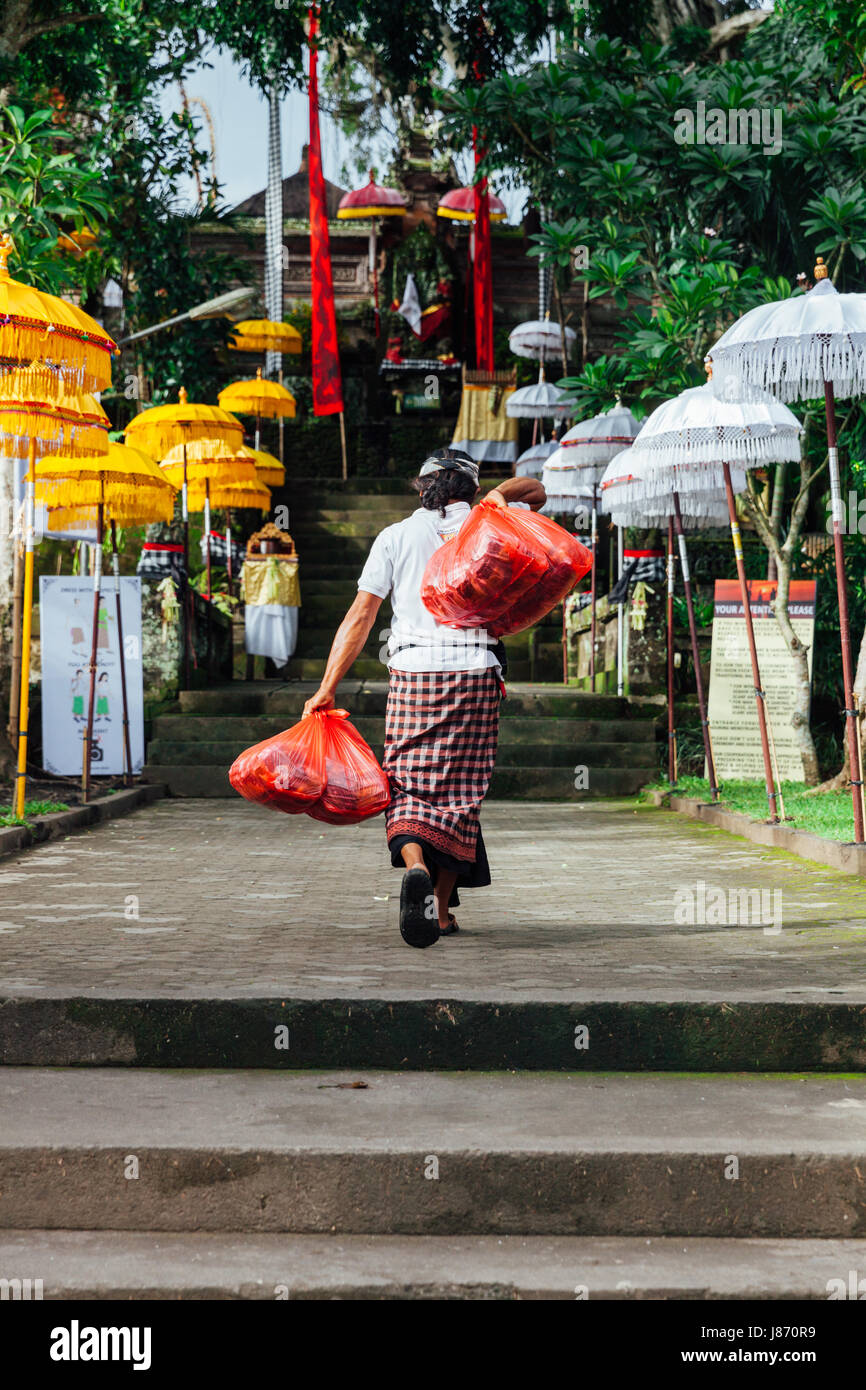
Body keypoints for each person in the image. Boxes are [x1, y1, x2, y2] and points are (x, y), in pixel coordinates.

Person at [303, 448, 545, 949]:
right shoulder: (493, 527)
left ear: (421, 488)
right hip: (476, 670)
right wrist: (499, 499)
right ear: (472, 490)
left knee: (408, 785)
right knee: (461, 794)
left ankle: (414, 864)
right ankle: (436, 909)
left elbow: (361, 616)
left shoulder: (394, 537)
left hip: (414, 674)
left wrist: (327, 686)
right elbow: (536, 491)